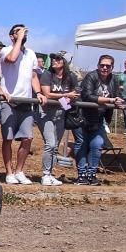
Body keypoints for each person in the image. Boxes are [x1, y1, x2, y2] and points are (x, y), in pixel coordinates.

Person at [0, 23, 48, 184]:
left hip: (26, 102)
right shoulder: (6, 50)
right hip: (9, 100)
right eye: (17, 32)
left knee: (27, 138)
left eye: (24, 32)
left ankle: (19, 171)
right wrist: (18, 39)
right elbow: (12, 59)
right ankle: (9, 172)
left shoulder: (31, 54)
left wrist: (39, 92)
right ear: (11, 36)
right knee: (8, 138)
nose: (22, 34)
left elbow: (34, 76)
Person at [75, 54, 125, 185]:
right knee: (82, 145)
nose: (104, 68)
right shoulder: (91, 76)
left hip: (99, 118)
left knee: (97, 145)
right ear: (98, 66)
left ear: (112, 67)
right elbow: (87, 96)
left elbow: (117, 95)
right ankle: (82, 175)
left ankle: (91, 174)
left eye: (108, 66)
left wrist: (118, 101)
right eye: (102, 65)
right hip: (82, 117)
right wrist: (110, 100)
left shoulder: (114, 79)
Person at [38, 52, 79, 185]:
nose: (54, 60)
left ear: (64, 62)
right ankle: (45, 175)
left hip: (61, 114)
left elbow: (76, 92)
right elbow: (47, 94)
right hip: (45, 113)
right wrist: (66, 95)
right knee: (50, 144)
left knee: (55, 146)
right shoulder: (47, 74)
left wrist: (69, 98)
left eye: (58, 58)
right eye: (52, 59)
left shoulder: (70, 76)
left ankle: (50, 174)